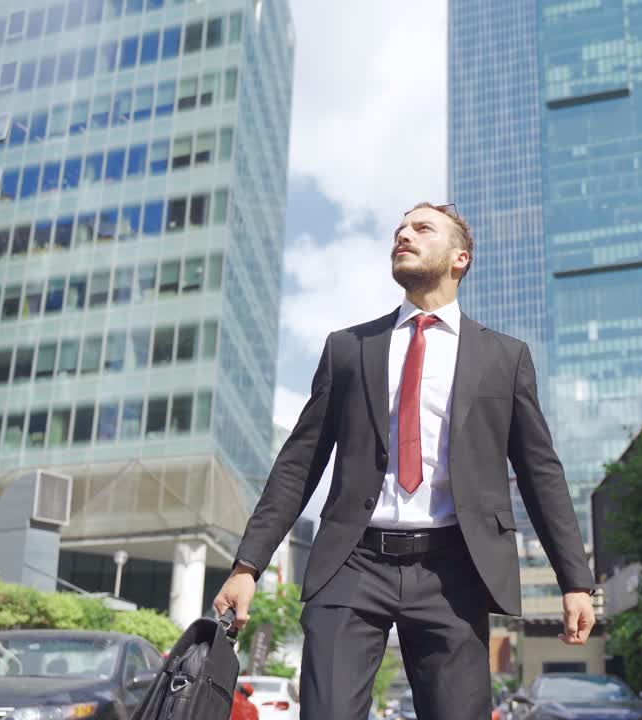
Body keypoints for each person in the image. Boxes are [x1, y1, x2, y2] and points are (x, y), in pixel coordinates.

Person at [213, 202, 596, 720]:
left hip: (454, 568)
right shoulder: (349, 348)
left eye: (422, 228)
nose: (403, 235)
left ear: (460, 258)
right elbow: (299, 462)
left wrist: (574, 581)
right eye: (399, 229)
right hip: (352, 562)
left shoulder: (504, 359)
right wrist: (247, 565)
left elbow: (540, 471)